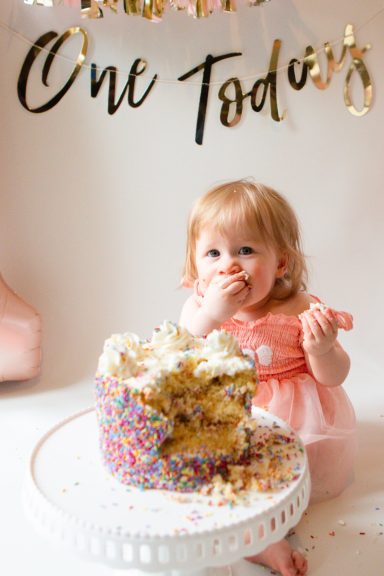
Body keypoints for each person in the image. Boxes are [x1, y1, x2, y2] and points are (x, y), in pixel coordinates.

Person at [179, 179, 356, 576]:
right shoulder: (201, 304)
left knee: (276, 478)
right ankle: (241, 525)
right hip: (226, 411)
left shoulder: (302, 308)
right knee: (200, 465)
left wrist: (322, 349)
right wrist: (214, 313)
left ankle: (265, 537)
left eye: (245, 250)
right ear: (196, 265)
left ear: (279, 263)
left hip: (289, 421)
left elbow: (334, 377)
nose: (228, 264)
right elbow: (186, 341)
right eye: (212, 253)